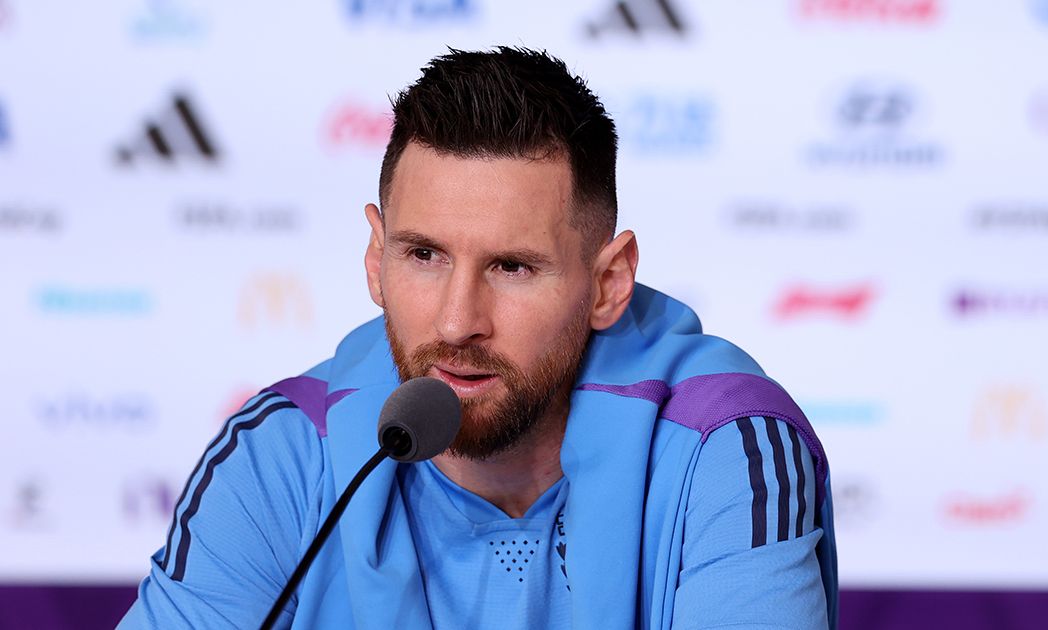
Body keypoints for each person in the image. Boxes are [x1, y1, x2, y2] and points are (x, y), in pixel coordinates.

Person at [119, 47, 837, 629]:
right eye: (423, 256)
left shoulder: (729, 447)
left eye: (513, 266)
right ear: (376, 259)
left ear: (609, 283)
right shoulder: (279, 451)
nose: (458, 321)